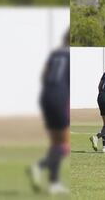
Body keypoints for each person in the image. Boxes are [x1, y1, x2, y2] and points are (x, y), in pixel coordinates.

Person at [27, 31, 70, 194]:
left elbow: (44, 75)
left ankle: (53, 182)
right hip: (60, 97)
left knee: (55, 143)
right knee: (64, 144)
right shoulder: (70, 56)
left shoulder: (55, 54)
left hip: (46, 96)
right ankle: (38, 167)